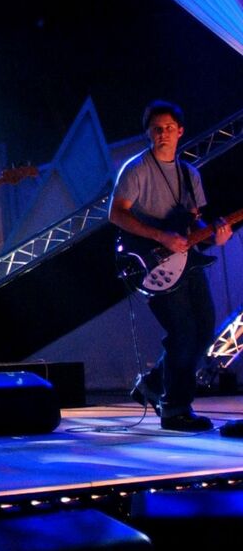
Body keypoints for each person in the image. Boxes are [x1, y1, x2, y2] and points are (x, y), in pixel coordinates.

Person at [109, 99, 232, 432]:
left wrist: (216, 235)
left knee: (204, 327)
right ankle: (174, 409)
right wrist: (160, 235)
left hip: (185, 260)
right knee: (183, 331)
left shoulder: (190, 175)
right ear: (148, 134)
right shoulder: (136, 169)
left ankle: (152, 383)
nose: (162, 134)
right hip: (150, 262)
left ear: (180, 132)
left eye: (168, 128)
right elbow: (116, 214)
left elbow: (192, 225)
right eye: (156, 129)